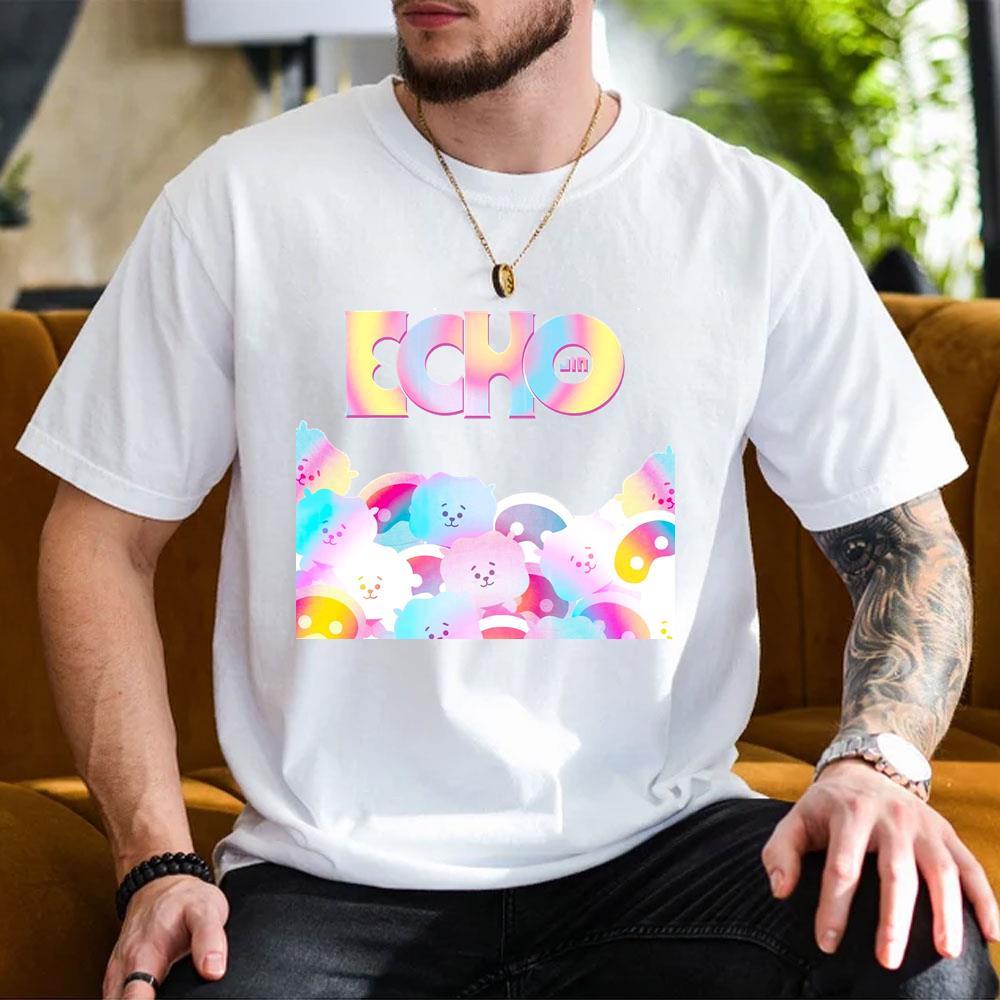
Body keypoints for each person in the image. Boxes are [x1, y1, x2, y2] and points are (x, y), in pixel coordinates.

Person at [15, 0, 1000, 997]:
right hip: (328, 882)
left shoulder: (751, 220)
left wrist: (876, 764)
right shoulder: (239, 200)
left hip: (665, 854)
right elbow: (99, 541)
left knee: (917, 946)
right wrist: (156, 861)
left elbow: (906, 546)